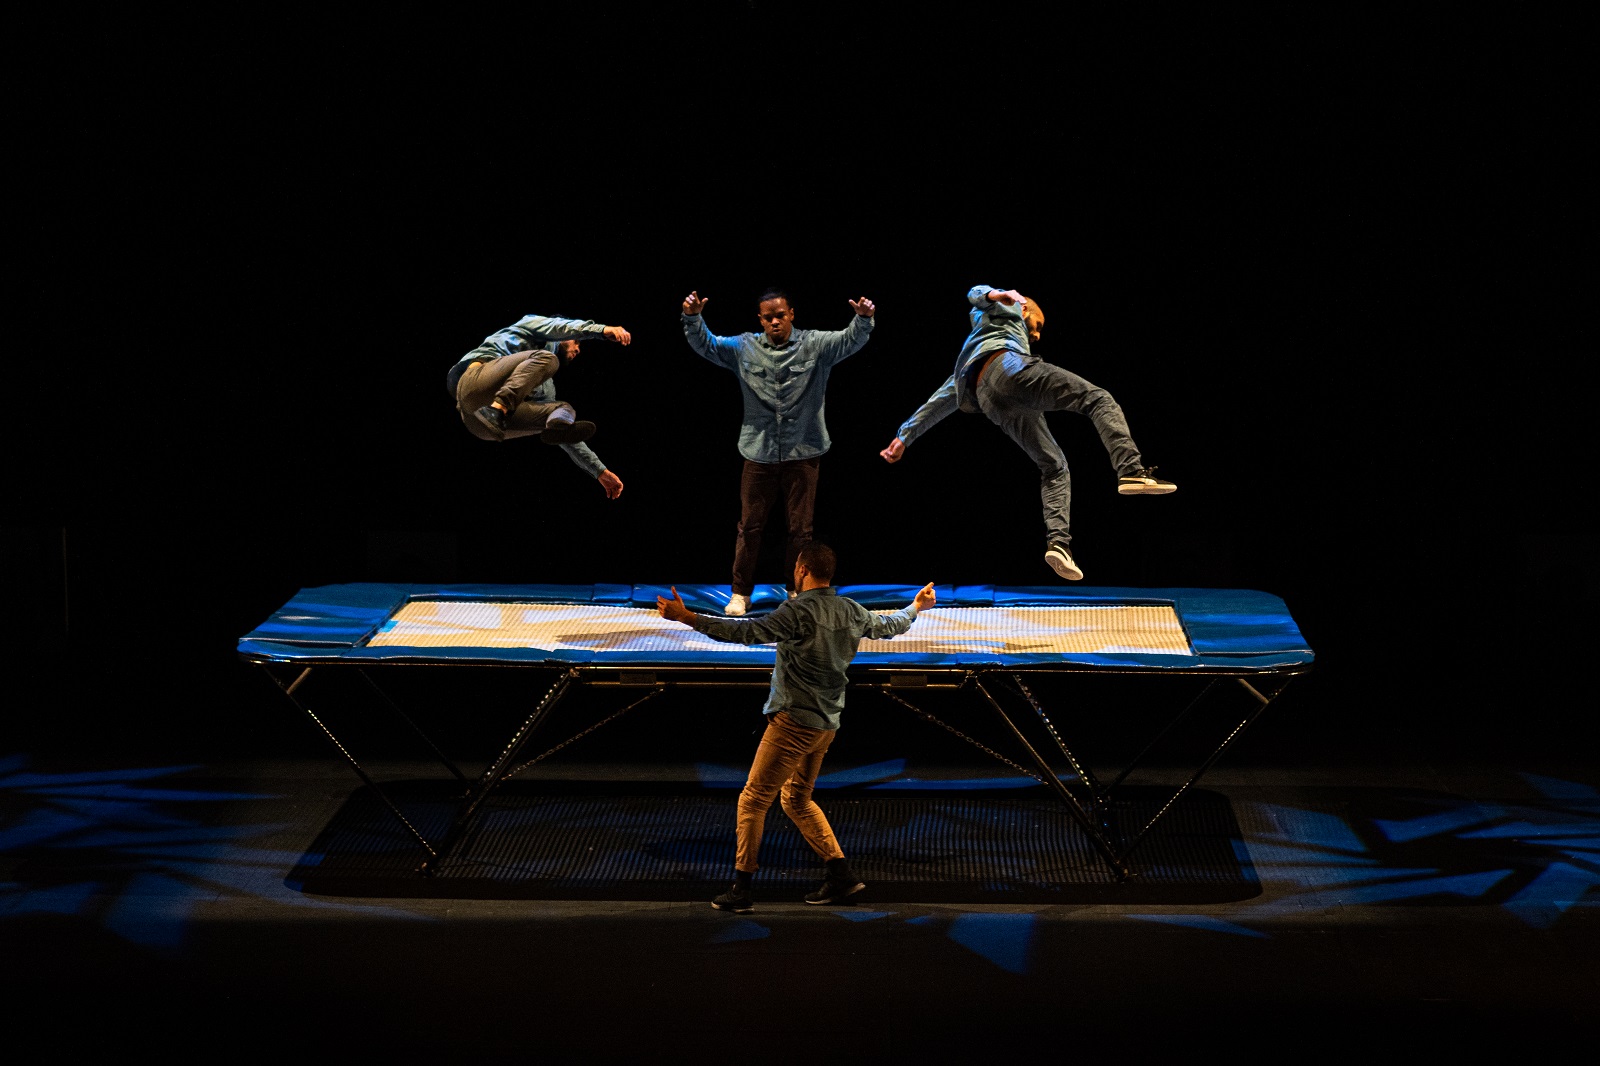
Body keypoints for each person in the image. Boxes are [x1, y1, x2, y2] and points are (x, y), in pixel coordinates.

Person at [656, 542, 936, 912]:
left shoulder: (797, 611)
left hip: (793, 723)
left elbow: (747, 633)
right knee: (796, 799)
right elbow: (890, 625)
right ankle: (841, 875)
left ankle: (742, 888)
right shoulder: (850, 609)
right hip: (826, 724)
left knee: (753, 800)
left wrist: (688, 618)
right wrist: (916, 607)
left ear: (802, 570)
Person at [880, 286, 1174, 581]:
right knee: (1098, 399)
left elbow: (944, 398)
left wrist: (905, 435)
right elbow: (975, 292)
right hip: (1009, 368)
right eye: (1038, 325)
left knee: (1054, 466)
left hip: (990, 400)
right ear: (1024, 311)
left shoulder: (972, 354)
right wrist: (998, 295)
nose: (1037, 335)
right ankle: (1131, 470)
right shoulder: (1008, 312)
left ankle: (1059, 544)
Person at [681, 288, 876, 614]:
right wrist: (692, 317)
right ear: (760, 319)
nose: (774, 322)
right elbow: (707, 344)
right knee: (749, 527)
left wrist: (864, 319)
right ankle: (740, 593)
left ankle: (796, 591)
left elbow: (848, 340)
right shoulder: (744, 347)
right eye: (768, 317)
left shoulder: (814, 345)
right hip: (759, 453)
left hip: (804, 451)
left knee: (801, 530)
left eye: (780, 316)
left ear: (791, 314)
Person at [447, 313, 631, 499]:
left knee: (562, 410)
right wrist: (601, 330)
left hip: (481, 427)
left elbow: (565, 437)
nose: (578, 349)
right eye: (577, 343)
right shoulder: (534, 325)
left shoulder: (544, 383)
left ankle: (497, 411)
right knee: (548, 359)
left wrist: (600, 471)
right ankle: (497, 407)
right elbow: (562, 327)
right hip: (475, 381)